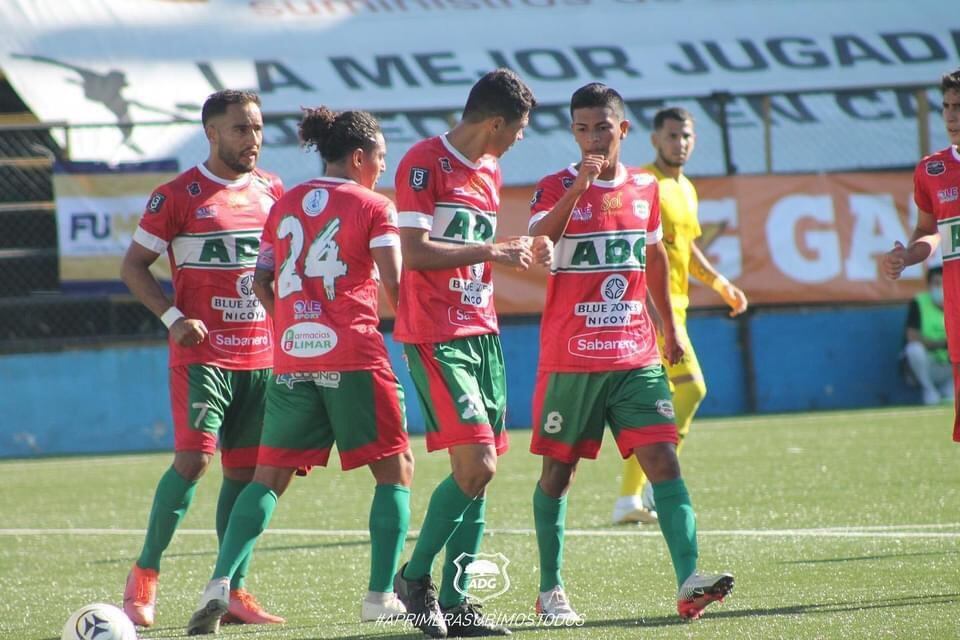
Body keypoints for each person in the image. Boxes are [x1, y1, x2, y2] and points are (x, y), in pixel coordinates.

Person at [185, 106, 415, 635]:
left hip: (291, 357)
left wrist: (292, 324)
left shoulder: (284, 202)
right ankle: (380, 595)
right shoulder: (374, 206)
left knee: (268, 478)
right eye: (380, 157)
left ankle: (220, 582)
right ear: (360, 157)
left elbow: (262, 280)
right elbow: (397, 288)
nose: (382, 167)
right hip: (354, 354)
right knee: (395, 470)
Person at [527, 82, 734, 622]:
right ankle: (550, 590)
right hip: (572, 358)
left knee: (664, 459)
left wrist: (669, 327)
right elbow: (536, 244)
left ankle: (690, 581)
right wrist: (578, 189)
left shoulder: (645, 188)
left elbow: (655, 259)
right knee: (559, 473)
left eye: (601, 127)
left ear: (622, 129)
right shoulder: (553, 186)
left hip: (634, 353)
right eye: (581, 128)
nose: (591, 138)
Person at [390, 68, 551, 639]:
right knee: (476, 464)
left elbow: (481, 254)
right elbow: (415, 252)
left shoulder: (491, 168)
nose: (520, 139)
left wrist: (519, 252)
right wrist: (492, 248)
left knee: (482, 473)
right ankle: (414, 580)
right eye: (520, 129)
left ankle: (457, 608)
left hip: (481, 333)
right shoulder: (421, 162)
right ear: (495, 122)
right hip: (435, 334)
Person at [120, 90, 285, 628]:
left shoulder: (273, 191)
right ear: (211, 133)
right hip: (203, 357)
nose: (252, 139)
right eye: (241, 129)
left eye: (257, 128)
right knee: (194, 461)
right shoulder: (178, 195)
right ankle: (144, 575)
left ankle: (231, 588)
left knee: (245, 474)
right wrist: (173, 318)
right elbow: (135, 267)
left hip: (261, 356)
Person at [611, 106, 748, 525]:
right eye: (672, 136)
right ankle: (652, 482)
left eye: (686, 136)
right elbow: (636, 248)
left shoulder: (685, 188)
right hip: (652, 310)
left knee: (663, 403)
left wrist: (720, 283)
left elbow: (687, 248)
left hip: (677, 310)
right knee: (691, 389)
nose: (680, 143)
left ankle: (630, 498)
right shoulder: (644, 184)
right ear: (654, 139)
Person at [882, 67, 960, 443]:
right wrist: (908, 256)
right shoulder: (933, 169)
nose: (951, 116)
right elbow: (930, 233)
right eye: (946, 106)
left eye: (959, 107)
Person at [903, 266, 952, 405]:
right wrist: (942, 344)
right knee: (914, 349)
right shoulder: (919, 303)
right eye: (937, 283)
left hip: (950, 364)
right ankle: (928, 390)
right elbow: (912, 336)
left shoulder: (956, 303)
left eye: (945, 283)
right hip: (928, 363)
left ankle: (951, 389)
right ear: (929, 286)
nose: (941, 288)